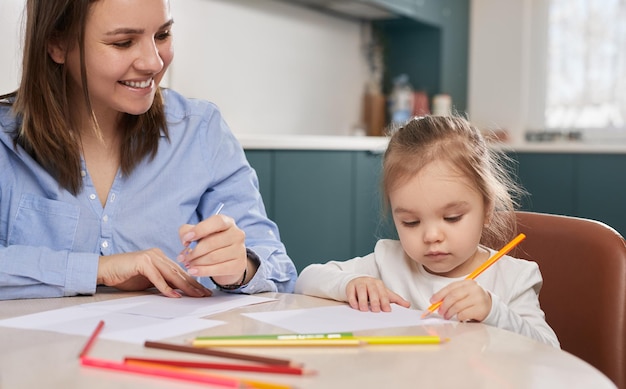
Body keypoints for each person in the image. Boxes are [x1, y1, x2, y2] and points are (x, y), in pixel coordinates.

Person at [0, 0, 297, 300]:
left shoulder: (200, 130)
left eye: (162, 35)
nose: (153, 63)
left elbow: (279, 270)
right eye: (124, 42)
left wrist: (240, 267)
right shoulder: (4, 141)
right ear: (57, 43)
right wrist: (97, 269)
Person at [295, 115, 560, 347]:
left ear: (487, 209)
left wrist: (494, 311)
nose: (431, 236)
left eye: (452, 218)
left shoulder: (513, 279)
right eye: (411, 222)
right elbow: (306, 280)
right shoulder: (390, 261)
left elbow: (549, 350)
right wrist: (350, 284)